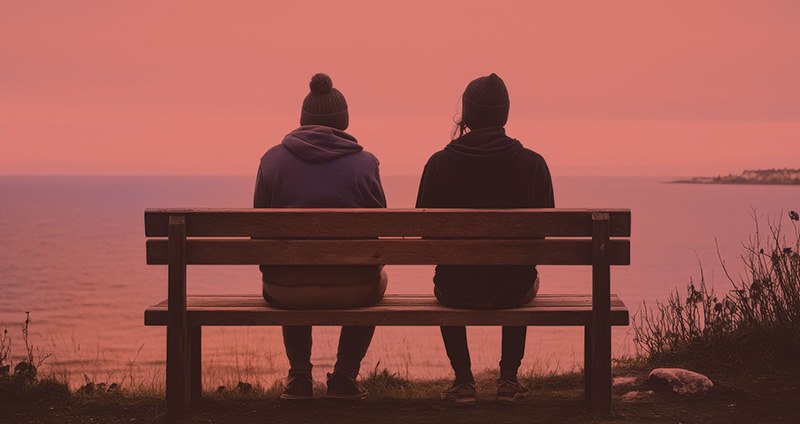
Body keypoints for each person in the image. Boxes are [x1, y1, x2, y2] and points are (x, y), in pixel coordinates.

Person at [415, 73, 555, 404]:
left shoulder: (438, 164)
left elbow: (425, 232)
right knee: (519, 269)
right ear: (503, 114)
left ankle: (463, 381)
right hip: (514, 290)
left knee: (449, 278)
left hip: (455, 290)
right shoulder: (533, 164)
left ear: (468, 114)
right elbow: (542, 232)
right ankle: (508, 379)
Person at [254, 73, 388, 401]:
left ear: (304, 119)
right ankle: (344, 377)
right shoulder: (366, 163)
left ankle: (299, 377)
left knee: (291, 270)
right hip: (355, 288)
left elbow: (259, 230)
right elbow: (380, 227)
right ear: (343, 121)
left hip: (286, 288)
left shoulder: (272, 161)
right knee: (378, 279)